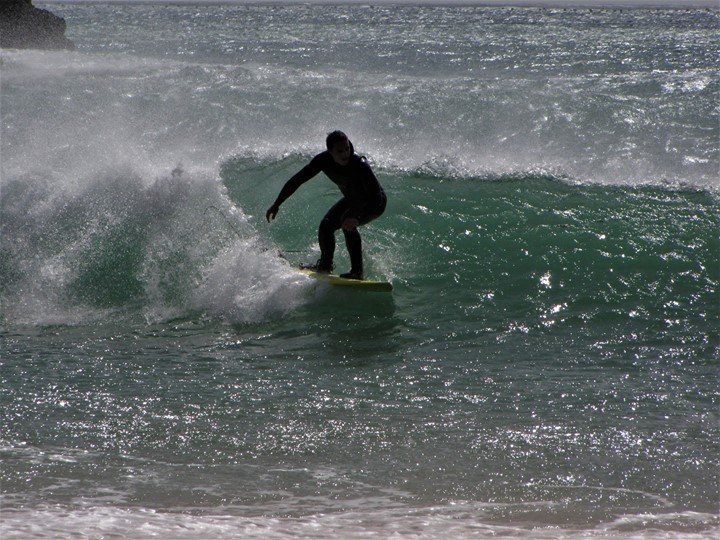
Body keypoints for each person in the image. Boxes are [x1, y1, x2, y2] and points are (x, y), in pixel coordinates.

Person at [266, 131, 386, 280]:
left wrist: (356, 218)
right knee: (326, 225)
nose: (345, 154)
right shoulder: (323, 161)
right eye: (340, 151)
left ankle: (357, 272)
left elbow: (376, 196)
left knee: (347, 222)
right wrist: (277, 203)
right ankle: (324, 266)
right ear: (330, 152)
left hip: (373, 203)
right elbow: (299, 179)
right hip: (352, 200)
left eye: (347, 148)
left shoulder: (360, 165)